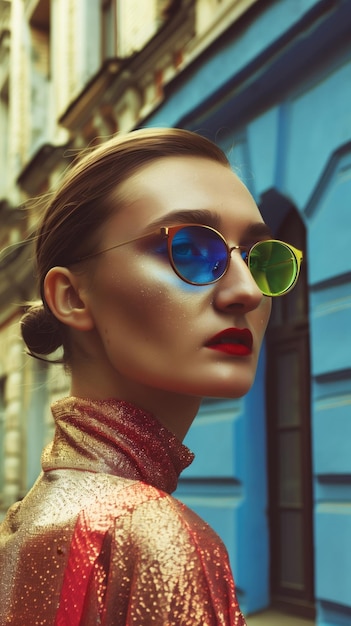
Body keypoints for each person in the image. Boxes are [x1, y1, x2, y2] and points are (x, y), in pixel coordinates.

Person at [0, 128, 302, 625]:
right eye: (188, 249)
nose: (247, 290)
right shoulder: (153, 538)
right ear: (72, 298)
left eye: (257, 257)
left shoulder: (32, 517)